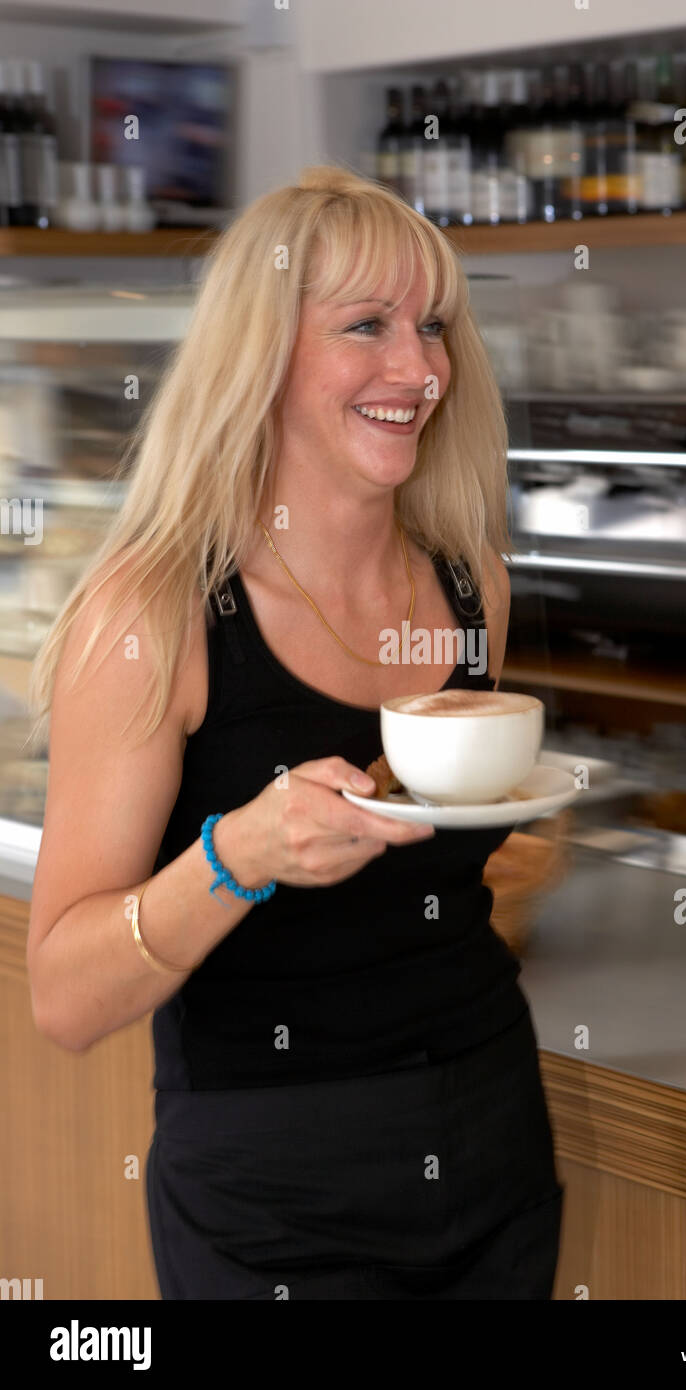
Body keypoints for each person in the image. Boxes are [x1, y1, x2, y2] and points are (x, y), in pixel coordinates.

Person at [26, 165, 564, 1300]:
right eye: (364, 325)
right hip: (272, 1190)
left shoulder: (473, 589)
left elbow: (435, 888)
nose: (417, 369)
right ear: (259, 355)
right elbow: (66, 997)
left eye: (431, 326)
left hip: (493, 1134)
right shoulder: (156, 612)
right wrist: (238, 855)